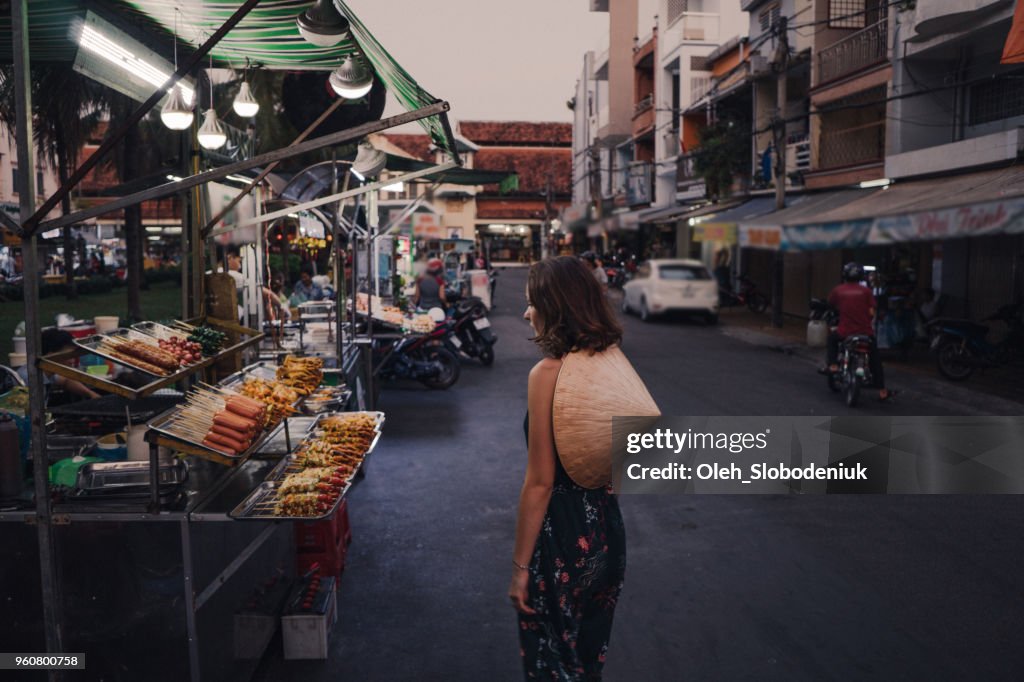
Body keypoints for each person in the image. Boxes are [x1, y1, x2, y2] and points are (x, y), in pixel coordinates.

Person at [510, 256, 628, 679]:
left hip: (562, 537)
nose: (526, 313)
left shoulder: (548, 374)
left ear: (554, 308)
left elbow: (540, 483)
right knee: (587, 659)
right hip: (607, 534)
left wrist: (520, 568)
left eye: (531, 303)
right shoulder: (610, 360)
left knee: (553, 664)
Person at [825, 262, 893, 401]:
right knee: (875, 359)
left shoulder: (839, 290)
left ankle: (832, 365)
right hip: (865, 333)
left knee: (831, 339)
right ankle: (882, 390)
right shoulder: (866, 291)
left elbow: (830, 304)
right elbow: (871, 312)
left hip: (845, 331)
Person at [17, 328, 101, 405]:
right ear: (51, 355)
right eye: (68, 356)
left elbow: (65, 381)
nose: (72, 361)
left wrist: (91, 394)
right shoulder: (29, 380)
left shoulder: (47, 371)